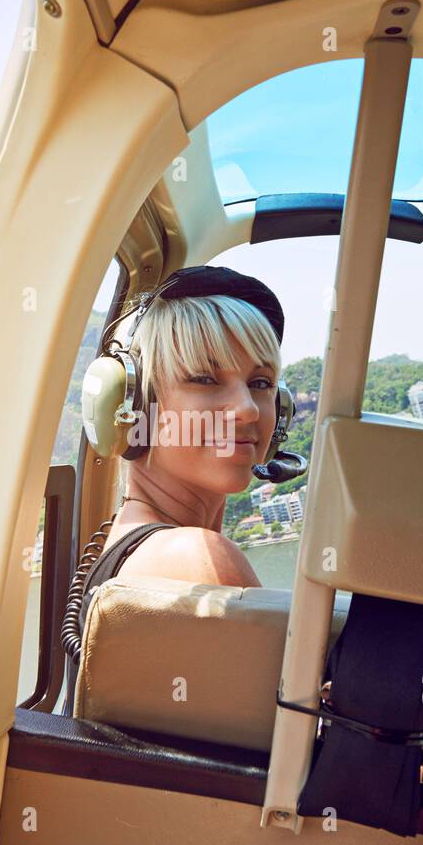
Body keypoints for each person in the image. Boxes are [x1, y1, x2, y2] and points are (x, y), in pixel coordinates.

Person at [77, 265, 286, 629]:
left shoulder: (130, 545)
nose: (248, 408)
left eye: (261, 382)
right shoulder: (197, 560)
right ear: (135, 405)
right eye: (204, 379)